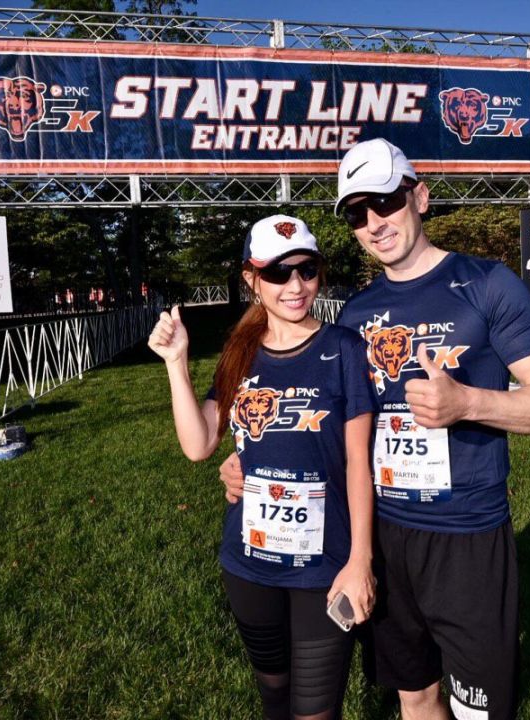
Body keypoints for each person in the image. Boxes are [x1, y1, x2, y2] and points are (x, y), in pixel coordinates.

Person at [220, 139, 530, 719]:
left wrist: (468, 402)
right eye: (358, 213)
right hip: (385, 537)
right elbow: (331, 432)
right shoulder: (356, 314)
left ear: (421, 197)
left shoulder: (486, 284)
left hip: (466, 535)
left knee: (480, 710)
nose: (375, 223)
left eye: (386, 202)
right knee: (417, 697)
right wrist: (249, 466)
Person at [147, 215, 376, 720]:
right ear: (252, 279)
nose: (295, 286)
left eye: (307, 270)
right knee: (275, 694)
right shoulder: (240, 351)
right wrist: (175, 364)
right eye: (278, 274)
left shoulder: (344, 349)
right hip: (250, 565)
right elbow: (200, 442)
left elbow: (359, 463)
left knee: (314, 711)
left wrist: (360, 560)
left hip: (325, 566)